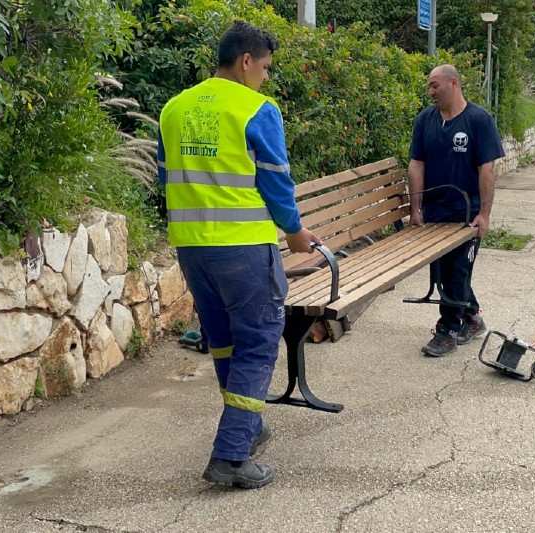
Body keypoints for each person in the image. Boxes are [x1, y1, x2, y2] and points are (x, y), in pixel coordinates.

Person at [157, 20, 320, 489]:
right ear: (246, 61)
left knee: (226, 340)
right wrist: (293, 232)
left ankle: (247, 424)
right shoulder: (257, 109)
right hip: (244, 248)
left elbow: (165, 175)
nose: (266, 77)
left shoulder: (174, 108)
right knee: (259, 340)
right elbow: (274, 180)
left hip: (192, 250)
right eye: (265, 67)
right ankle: (230, 456)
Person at [407, 64, 505, 357]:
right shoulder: (425, 119)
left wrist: (484, 215)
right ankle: (472, 317)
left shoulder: (478, 120)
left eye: (435, 85)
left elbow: (486, 169)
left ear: (454, 84)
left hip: (466, 215)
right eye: (429, 86)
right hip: (435, 214)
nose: (431, 91)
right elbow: (416, 164)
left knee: (456, 273)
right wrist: (416, 208)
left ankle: (447, 330)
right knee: (442, 274)